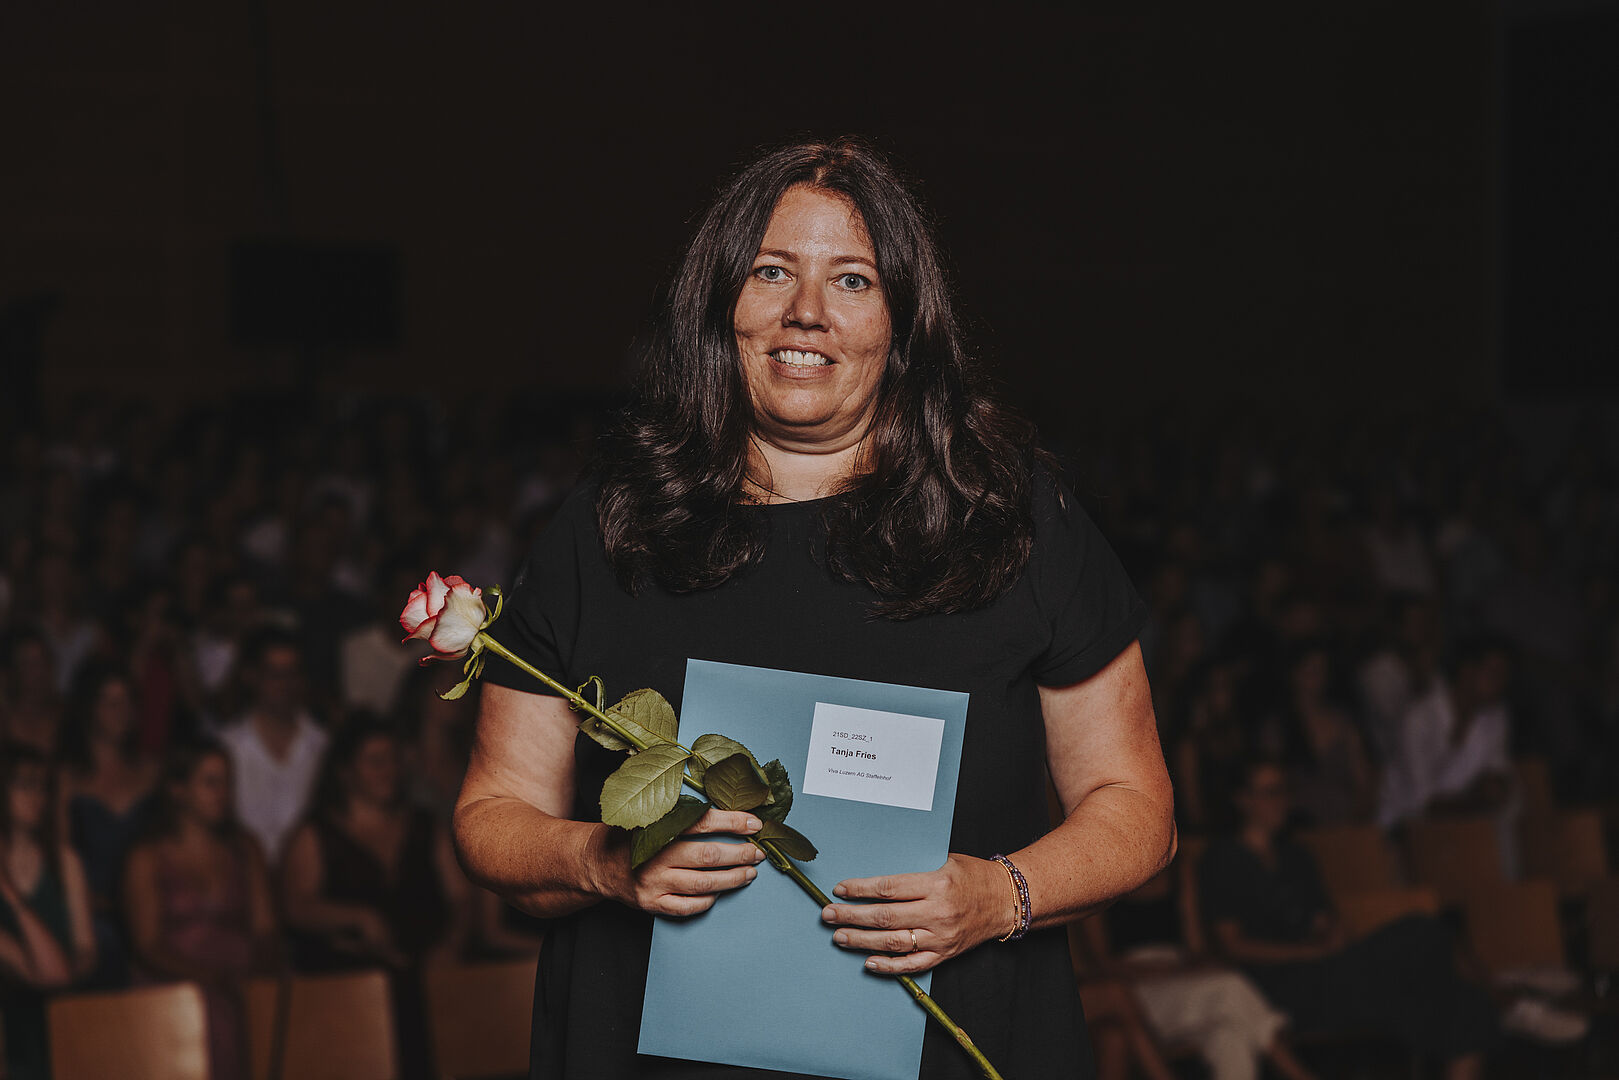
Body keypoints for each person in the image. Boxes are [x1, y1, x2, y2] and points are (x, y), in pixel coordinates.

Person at [453, 138, 1176, 1079]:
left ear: (901, 322)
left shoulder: (1008, 516)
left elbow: (1136, 809)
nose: (807, 311)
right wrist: (599, 859)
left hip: (951, 1048)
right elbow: (493, 812)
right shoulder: (610, 524)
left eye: (852, 280)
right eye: (770, 271)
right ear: (719, 301)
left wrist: (1001, 895)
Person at [1199, 760, 1497, 1079]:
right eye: (1270, 792)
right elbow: (1232, 945)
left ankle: (1483, 992)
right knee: (1422, 934)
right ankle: (1496, 991)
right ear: (1243, 799)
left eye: (1285, 791)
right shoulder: (1222, 859)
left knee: (1464, 1001)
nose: (1281, 801)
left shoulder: (1296, 856)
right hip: (1276, 986)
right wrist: (1308, 952)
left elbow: (1322, 919)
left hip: (1327, 969)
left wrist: (1333, 932)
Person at [281, 716, 467, 1080]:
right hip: (347, 984)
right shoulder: (316, 834)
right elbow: (295, 906)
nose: (389, 771)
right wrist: (356, 917)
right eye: (375, 761)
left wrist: (451, 946)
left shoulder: (424, 826)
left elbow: (461, 899)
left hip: (426, 974)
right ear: (345, 772)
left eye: (393, 759)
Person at [124, 738, 279, 1080]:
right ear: (178, 789)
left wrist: (257, 976)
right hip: (176, 981)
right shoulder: (147, 857)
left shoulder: (245, 848)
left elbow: (265, 928)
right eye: (210, 783)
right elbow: (147, 945)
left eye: (227, 783)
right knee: (211, 1009)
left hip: (241, 979)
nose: (223, 793)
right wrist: (210, 977)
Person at [58, 664, 159, 986]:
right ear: (89, 708)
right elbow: (59, 855)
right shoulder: (67, 780)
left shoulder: (152, 772)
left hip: (152, 905)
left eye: (127, 702)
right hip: (92, 911)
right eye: (110, 703)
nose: (121, 712)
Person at [0, 744, 96, 1080]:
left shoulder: (64, 861)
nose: (36, 797)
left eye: (42, 787)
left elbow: (85, 949)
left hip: (58, 1003)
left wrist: (66, 973)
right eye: (24, 785)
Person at [216, 627, 329, 866]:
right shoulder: (226, 747)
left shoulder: (323, 745)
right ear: (251, 676)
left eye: (291, 673)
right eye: (274, 674)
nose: (284, 684)